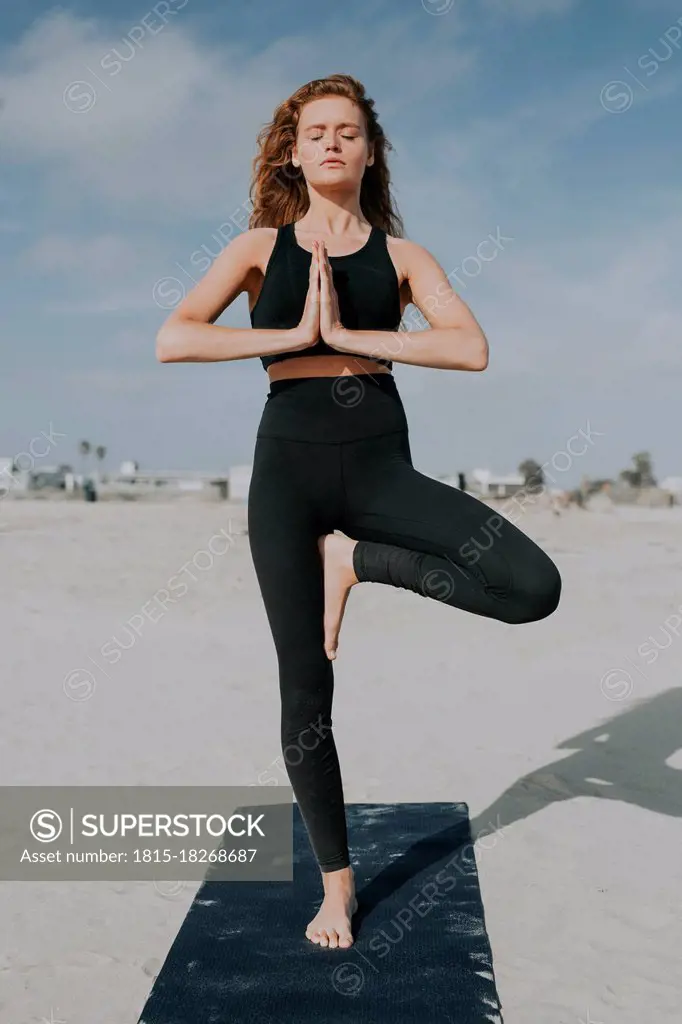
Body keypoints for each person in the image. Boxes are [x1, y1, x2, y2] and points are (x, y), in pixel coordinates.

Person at [156, 74, 562, 953]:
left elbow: (471, 348)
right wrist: (290, 337)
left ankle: (360, 560)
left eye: (349, 131)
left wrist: (353, 337)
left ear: (369, 152)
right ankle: (337, 887)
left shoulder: (404, 258)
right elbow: (176, 335)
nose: (333, 142)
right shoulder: (259, 247)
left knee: (532, 586)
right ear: (295, 153)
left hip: (379, 463)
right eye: (317, 132)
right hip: (288, 472)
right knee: (306, 687)